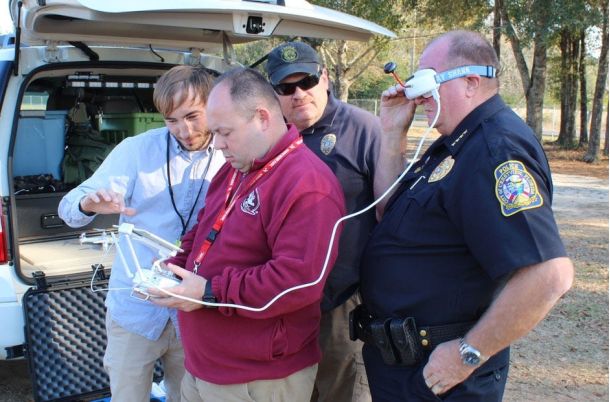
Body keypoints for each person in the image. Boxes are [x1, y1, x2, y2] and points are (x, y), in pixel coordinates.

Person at [351, 30, 575, 401]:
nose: (418, 94)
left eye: (428, 81)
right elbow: (387, 214)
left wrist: (468, 353)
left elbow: (548, 274)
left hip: (440, 375)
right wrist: (392, 134)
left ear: (470, 83)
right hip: (403, 365)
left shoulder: (495, 149)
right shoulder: (455, 144)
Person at [149, 67, 346, 402]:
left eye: (225, 132)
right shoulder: (236, 167)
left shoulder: (307, 183)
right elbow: (203, 230)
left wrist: (210, 291)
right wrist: (174, 268)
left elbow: (297, 282)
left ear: (262, 118)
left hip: (256, 377)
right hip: (203, 366)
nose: (218, 144)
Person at [58, 65, 225, 402]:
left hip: (196, 311)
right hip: (135, 310)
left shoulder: (231, 151)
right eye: (171, 120)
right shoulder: (136, 149)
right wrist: (89, 204)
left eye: (193, 116)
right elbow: (68, 208)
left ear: (213, 105)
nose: (184, 130)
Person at [265, 41, 404, 402]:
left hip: (343, 300)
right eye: (286, 88)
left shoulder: (363, 129)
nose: (298, 94)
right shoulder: (269, 137)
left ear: (324, 78)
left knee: (337, 392)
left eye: (307, 81)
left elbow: (393, 211)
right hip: (282, 297)